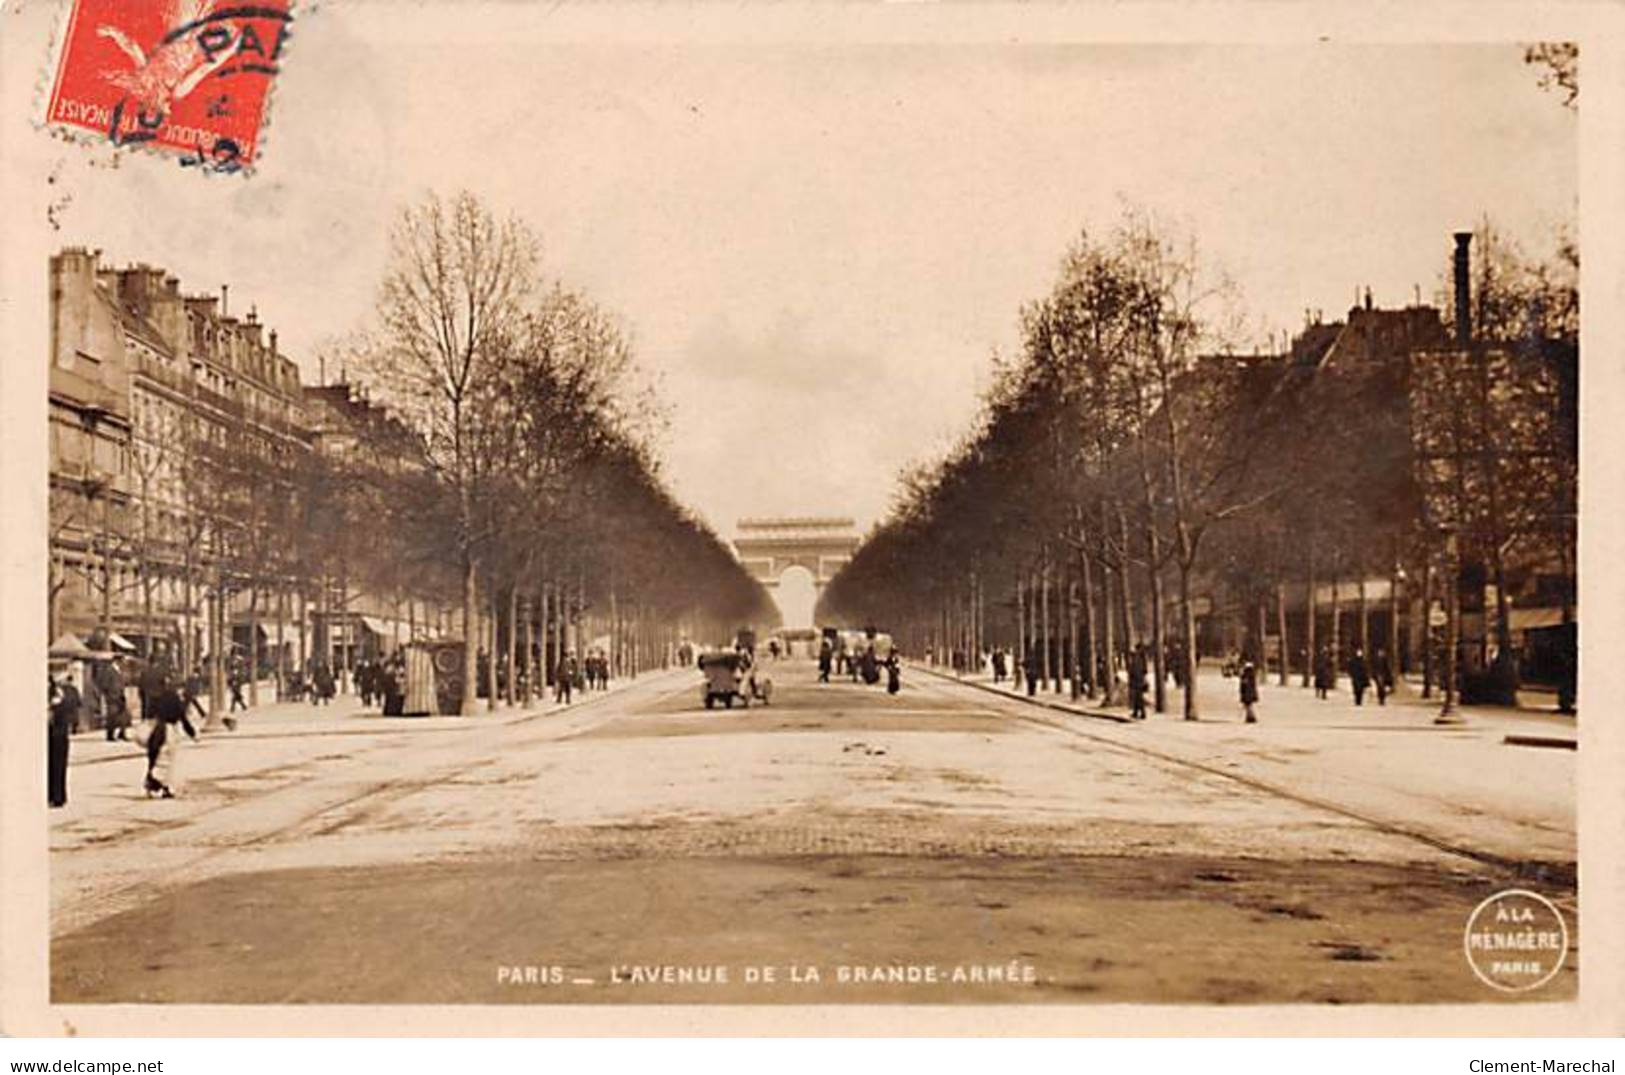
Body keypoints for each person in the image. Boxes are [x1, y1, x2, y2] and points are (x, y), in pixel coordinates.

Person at [145, 683, 198, 799]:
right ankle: (161, 785)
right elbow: (183, 718)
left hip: (158, 729)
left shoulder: (159, 698)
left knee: (156, 757)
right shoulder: (175, 701)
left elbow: (149, 713)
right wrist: (192, 733)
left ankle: (154, 784)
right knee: (167, 761)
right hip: (169, 731)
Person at [48, 671, 78, 808]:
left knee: (58, 765)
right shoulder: (52, 690)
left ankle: (58, 796)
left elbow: (74, 705)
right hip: (52, 731)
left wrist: (58, 704)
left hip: (58, 731)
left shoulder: (67, 691)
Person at [1129, 645, 1149, 721]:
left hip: (1137, 682)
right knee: (1137, 699)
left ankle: (1142, 713)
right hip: (1138, 681)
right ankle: (1136, 712)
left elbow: (1135, 672)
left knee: (1139, 698)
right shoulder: (1139, 660)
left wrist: (1133, 681)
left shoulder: (1136, 661)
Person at [1239, 659, 1259, 724]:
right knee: (1248, 705)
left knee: (1248, 705)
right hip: (1248, 691)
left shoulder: (1248, 672)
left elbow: (1245, 682)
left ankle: (1251, 717)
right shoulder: (1250, 672)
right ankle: (1249, 717)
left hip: (1248, 692)